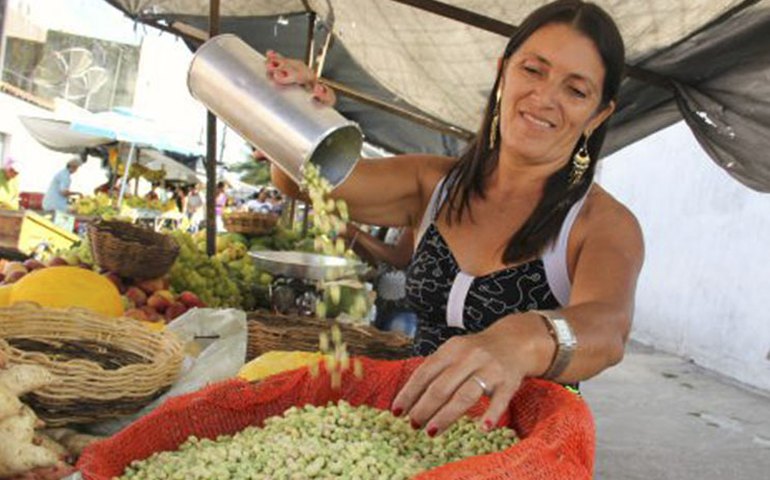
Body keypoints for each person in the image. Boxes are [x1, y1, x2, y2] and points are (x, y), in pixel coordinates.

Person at [267, 0, 643, 436]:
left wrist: (527, 337)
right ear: (504, 71)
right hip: (408, 434)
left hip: (526, 450)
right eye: (533, 70)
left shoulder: (601, 222)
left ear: (598, 115)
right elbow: (305, 181)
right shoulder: (432, 184)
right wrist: (296, 112)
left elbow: (608, 328)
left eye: (576, 90)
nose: (545, 98)